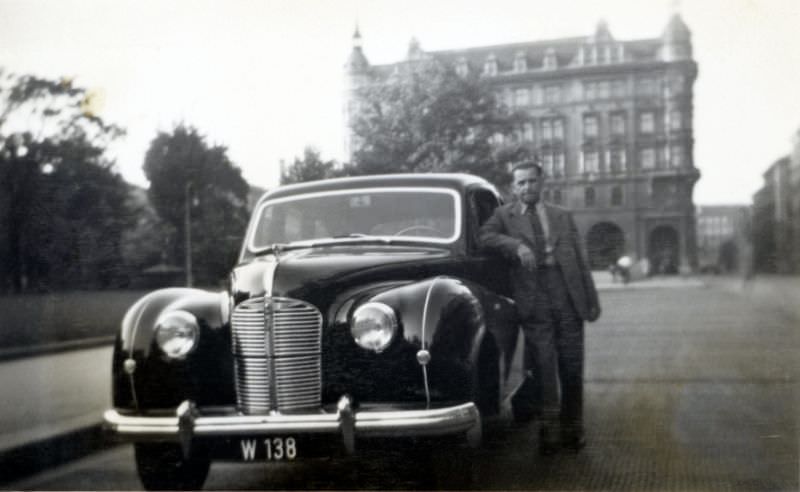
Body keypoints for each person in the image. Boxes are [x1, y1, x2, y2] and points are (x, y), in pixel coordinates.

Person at [479, 159, 601, 455]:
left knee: (572, 367)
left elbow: (580, 262)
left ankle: (573, 429)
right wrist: (516, 247)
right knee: (545, 368)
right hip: (534, 301)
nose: (526, 187)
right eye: (520, 183)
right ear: (513, 187)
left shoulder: (562, 215)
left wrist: (590, 299)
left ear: (542, 182)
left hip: (567, 296)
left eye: (531, 181)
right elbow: (484, 237)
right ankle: (549, 431)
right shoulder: (503, 215)